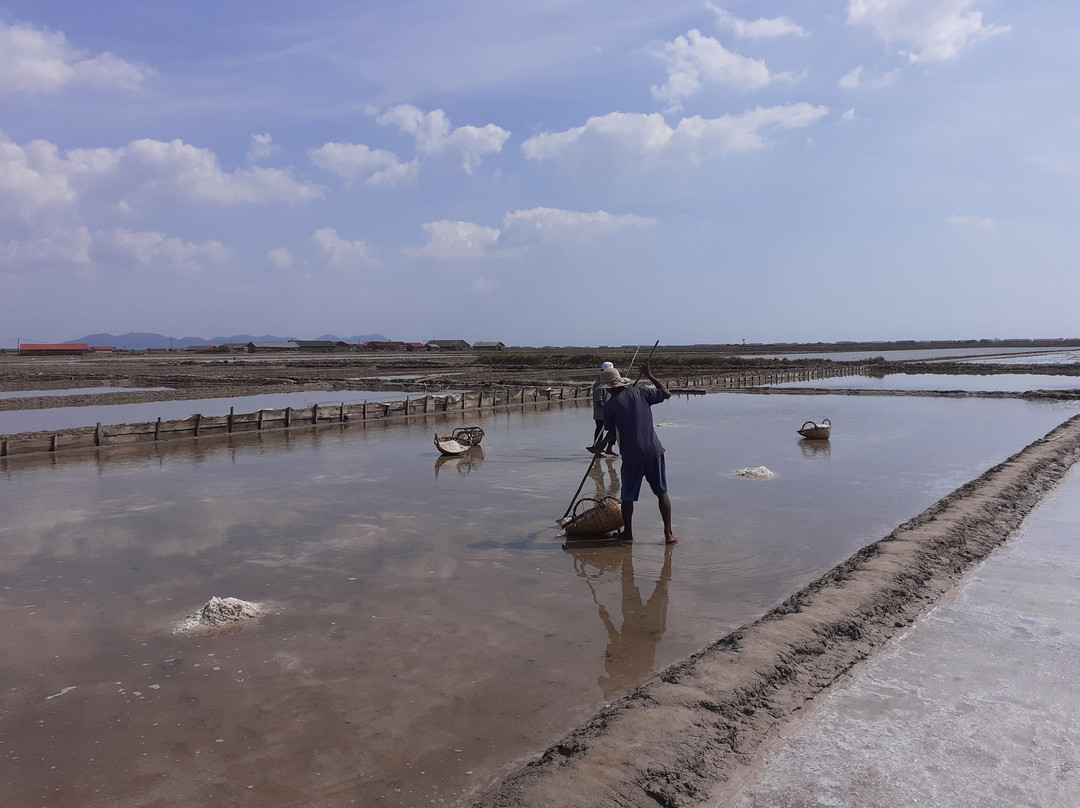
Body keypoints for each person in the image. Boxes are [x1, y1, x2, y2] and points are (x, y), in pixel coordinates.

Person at [602, 362, 677, 545]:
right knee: (662, 493)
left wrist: (600, 446)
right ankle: (668, 534)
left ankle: (628, 533)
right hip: (653, 451)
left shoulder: (610, 405)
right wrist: (650, 375)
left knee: (627, 497)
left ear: (609, 388)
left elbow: (611, 434)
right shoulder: (641, 392)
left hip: (632, 456)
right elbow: (666, 393)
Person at [586, 361, 618, 455]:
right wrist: (608, 409)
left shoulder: (609, 383)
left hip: (609, 412)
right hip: (601, 413)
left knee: (614, 430)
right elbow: (599, 401)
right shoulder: (599, 384)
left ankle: (609, 448)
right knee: (600, 429)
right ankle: (597, 448)